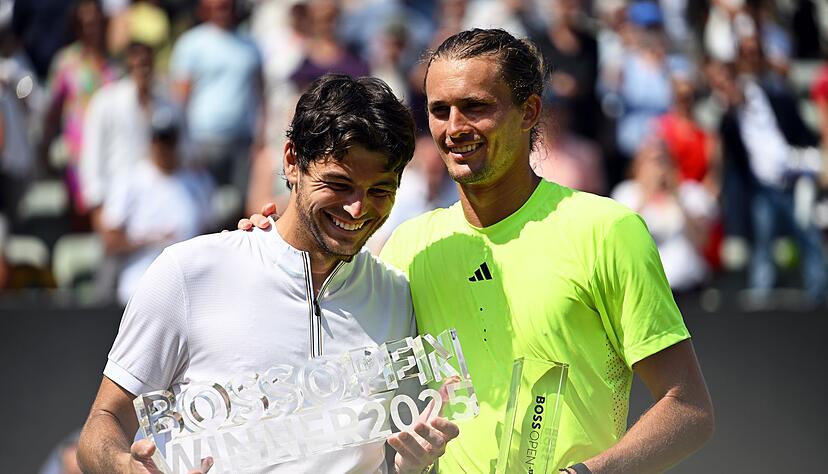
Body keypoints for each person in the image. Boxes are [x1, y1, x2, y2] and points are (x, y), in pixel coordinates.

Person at [245, 28, 714, 473]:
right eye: (440, 109)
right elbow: (325, 325)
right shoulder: (410, 245)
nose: (455, 127)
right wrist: (272, 242)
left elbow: (687, 408)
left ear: (529, 112)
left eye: (475, 107)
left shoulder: (607, 230)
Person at [77, 74, 458, 474]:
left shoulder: (397, 296)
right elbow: (103, 425)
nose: (357, 209)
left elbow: (398, 456)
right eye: (338, 184)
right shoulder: (189, 273)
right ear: (292, 161)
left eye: (380, 191)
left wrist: (411, 466)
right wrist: (125, 467)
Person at [97, 106, 213, 306]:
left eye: (169, 139)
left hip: (192, 289)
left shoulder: (198, 182)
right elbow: (110, 238)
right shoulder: (130, 180)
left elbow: (211, 231)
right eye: (159, 138)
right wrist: (152, 239)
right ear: (151, 141)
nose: (164, 146)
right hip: (140, 285)